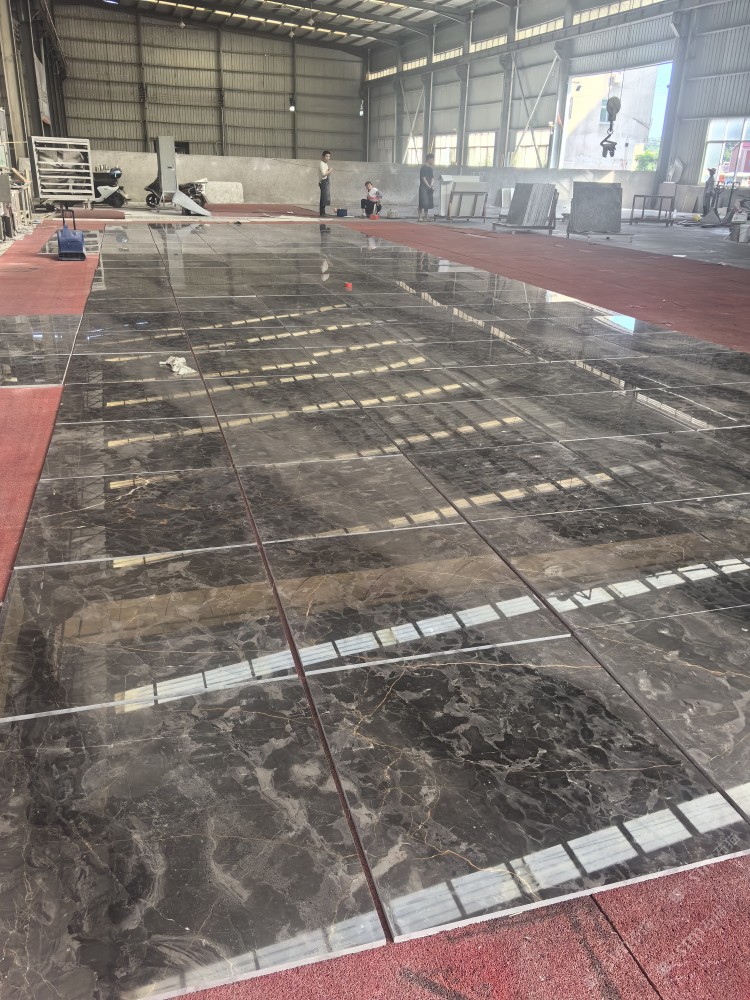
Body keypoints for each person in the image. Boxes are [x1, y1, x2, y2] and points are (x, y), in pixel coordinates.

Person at [418, 153, 435, 222]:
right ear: (429, 159)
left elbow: (433, 178)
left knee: (427, 203)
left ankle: (426, 216)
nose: (433, 161)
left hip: (429, 188)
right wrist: (428, 186)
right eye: (432, 159)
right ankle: (420, 217)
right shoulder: (423, 168)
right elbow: (423, 178)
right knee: (422, 202)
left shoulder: (431, 169)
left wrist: (431, 185)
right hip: (423, 188)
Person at [319, 150, 332, 217]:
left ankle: (323, 211)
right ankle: (322, 212)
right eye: (326, 156)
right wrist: (330, 170)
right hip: (323, 181)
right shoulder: (321, 163)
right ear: (323, 157)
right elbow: (324, 174)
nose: (328, 158)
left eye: (329, 156)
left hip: (326, 180)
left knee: (324, 197)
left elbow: (327, 173)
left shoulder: (325, 164)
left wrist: (328, 171)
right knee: (323, 197)